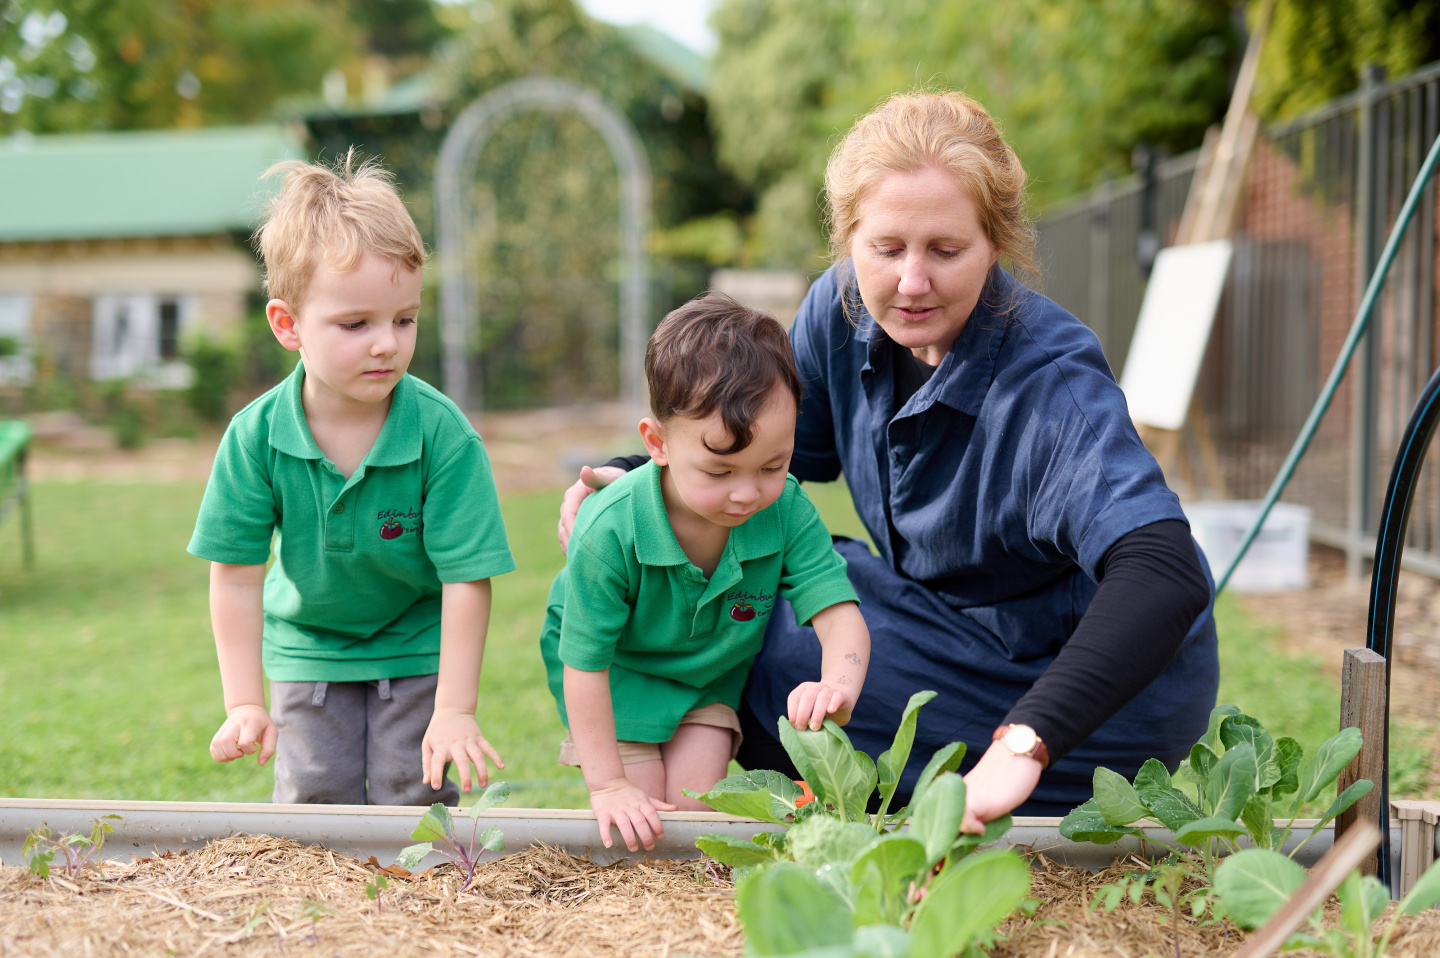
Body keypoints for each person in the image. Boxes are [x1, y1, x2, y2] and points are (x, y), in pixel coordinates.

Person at [559, 91, 1216, 832]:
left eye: (945, 250)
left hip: (1090, 696)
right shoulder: (841, 311)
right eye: (886, 247)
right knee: (748, 575)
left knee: (764, 625)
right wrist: (638, 478)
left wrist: (1025, 742)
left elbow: (1165, 570)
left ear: (995, 244)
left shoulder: (1049, 382)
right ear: (849, 241)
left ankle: (904, 792)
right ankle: (690, 791)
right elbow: (762, 459)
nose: (910, 282)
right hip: (942, 629)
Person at [189, 153, 516, 805]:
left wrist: (454, 708)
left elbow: (466, 579)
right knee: (315, 800)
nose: (387, 344)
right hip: (308, 649)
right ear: (288, 325)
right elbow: (235, 572)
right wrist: (244, 701)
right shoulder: (255, 438)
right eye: (355, 323)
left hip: (416, 647)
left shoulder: (442, 435)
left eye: (404, 319)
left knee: (412, 797)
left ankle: (422, 907)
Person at [543, 296, 871, 852]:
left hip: (707, 678)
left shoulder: (785, 509)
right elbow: (585, 666)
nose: (748, 493)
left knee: (696, 815)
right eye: (719, 470)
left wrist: (838, 685)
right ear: (657, 443)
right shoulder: (611, 530)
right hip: (617, 677)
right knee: (640, 824)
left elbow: (839, 613)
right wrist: (609, 785)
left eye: (773, 465)